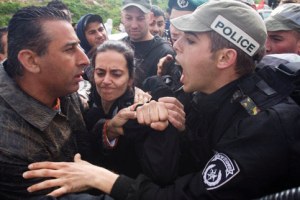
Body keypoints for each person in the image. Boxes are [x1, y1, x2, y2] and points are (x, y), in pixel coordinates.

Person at [23, 1, 300, 200]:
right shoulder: (198, 93)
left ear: (225, 58)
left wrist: (102, 178)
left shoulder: (264, 126)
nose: (175, 44)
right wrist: (124, 123)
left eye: (190, 41)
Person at [0, 6, 108, 200]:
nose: (85, 59)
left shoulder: (61, 82)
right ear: (31, 61)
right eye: (69, 49)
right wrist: (117, 184)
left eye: (79, 46)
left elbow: (81, 137)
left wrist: (110, 128)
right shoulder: (8, 143)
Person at [83, 40, 184, 181]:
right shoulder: (88, 103)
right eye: (100, 73)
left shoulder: (140, 112)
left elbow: (161, 175)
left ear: (130, 78)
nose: (106, 80)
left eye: (116, 74)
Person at [121, 0, 175, 88]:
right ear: (122, 18)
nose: (134, 25)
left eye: (140, 18)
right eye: (129, 18)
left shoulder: (164, 53)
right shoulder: (118, 47)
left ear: (150, 17)